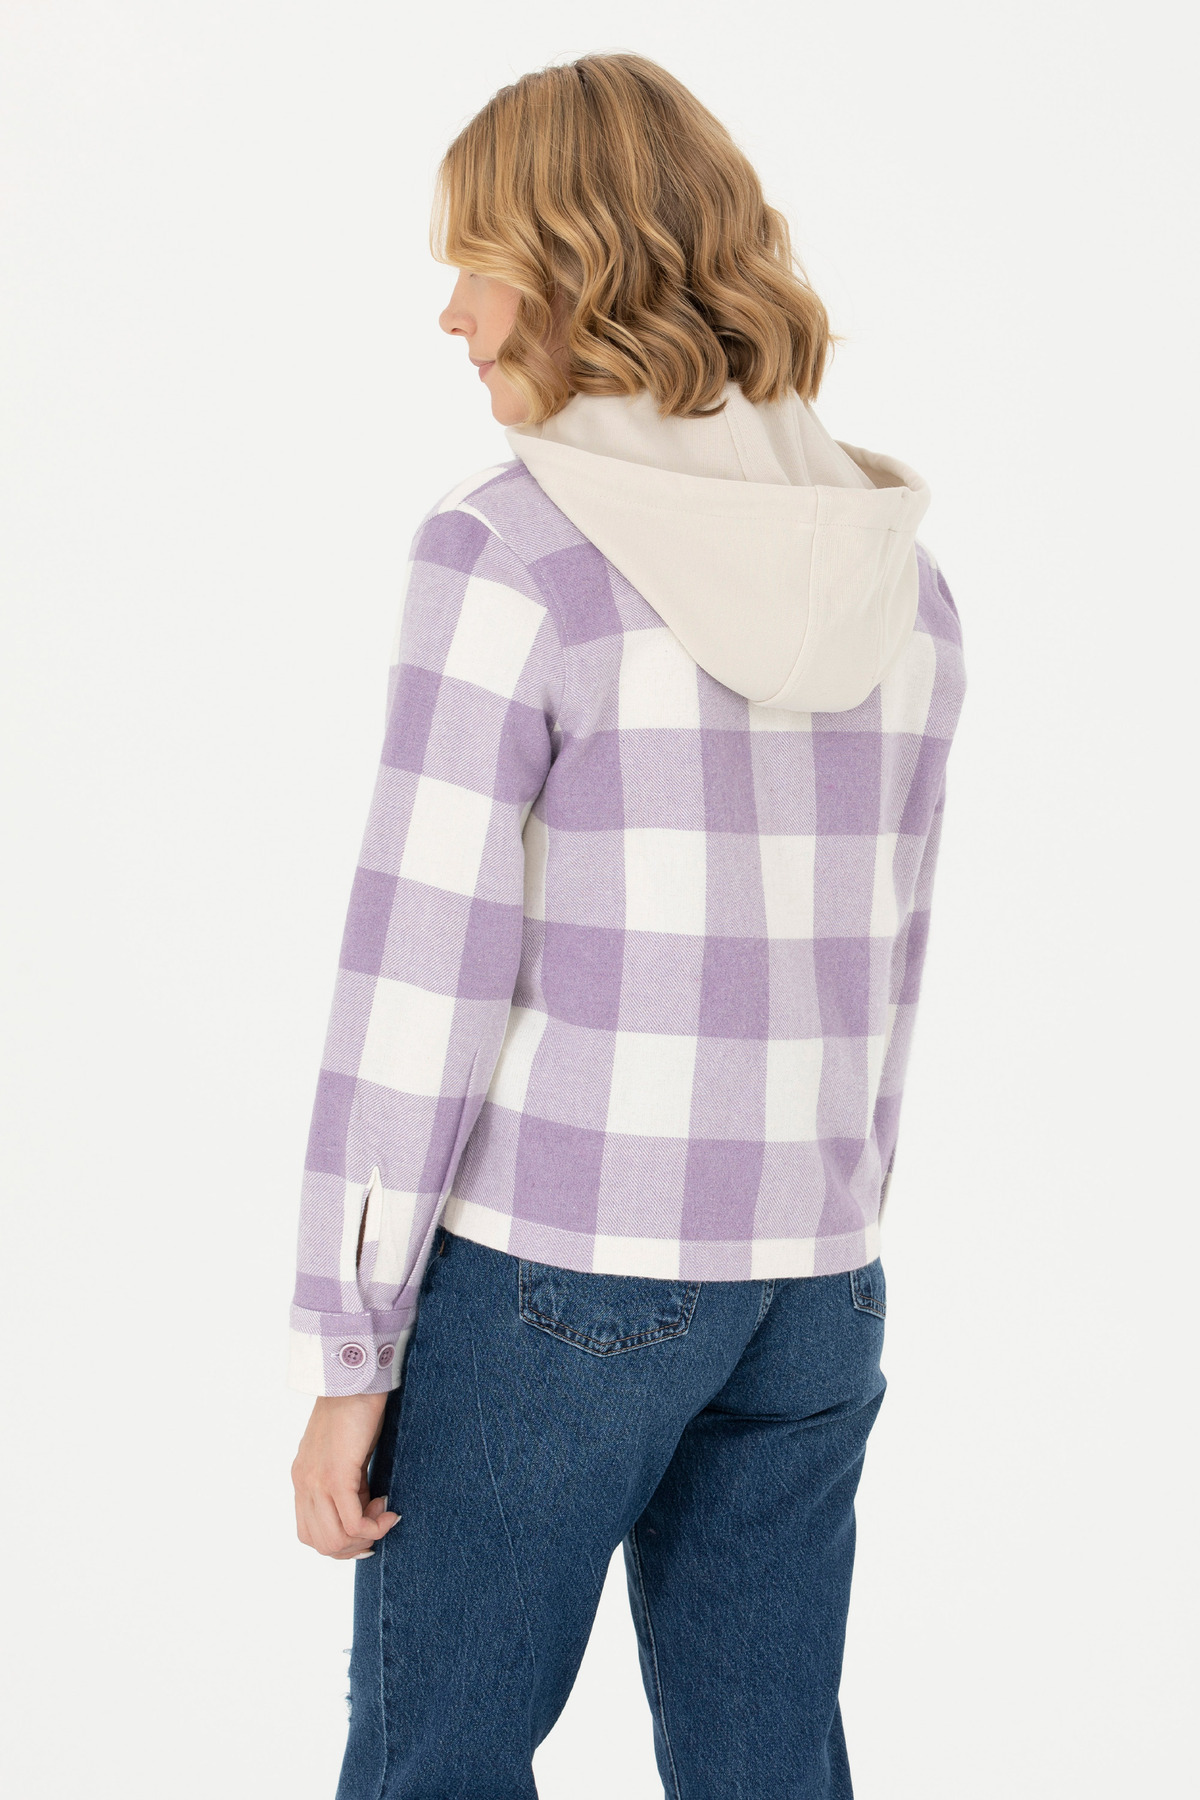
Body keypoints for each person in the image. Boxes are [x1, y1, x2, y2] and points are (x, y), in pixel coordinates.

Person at [288, 51, 966, 1800]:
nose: (452, 314)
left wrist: (351, 1350)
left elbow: (421, 969)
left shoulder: (510, 553)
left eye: (479, 260)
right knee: (769, 1768)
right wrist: (838, 1220)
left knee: (437, 1762)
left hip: (561, 1269)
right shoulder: (900, 578)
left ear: (578, 261)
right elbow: (891, 964)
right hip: (813, 1281)